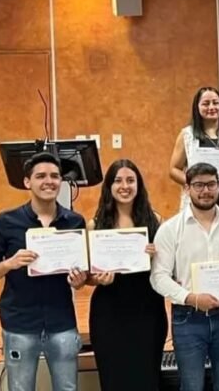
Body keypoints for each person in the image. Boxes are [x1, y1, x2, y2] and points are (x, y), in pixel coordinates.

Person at [0, 152, 87, 391]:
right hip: (19, 322)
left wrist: (79, 281)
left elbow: (81, 276)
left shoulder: (75, 222)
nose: (48, 181)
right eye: (40, 176)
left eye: (54, 176)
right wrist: (9, 264)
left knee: (68, 388)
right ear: (27, 182)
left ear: (61, 181)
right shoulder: (5, 222)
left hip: (61, 321)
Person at [151, 163, 219, 391]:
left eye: (211, 184)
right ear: (187, 188)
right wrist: (192, 298)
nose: (205, 191)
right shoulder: (170, 229)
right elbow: (158, 277)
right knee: (191, 387)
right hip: (188, 318)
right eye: (199, 185)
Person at [87, 159, 167, 391]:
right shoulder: (95, 225)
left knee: (147, 376)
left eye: (130, 180)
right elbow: (88, 276)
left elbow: (166, 268)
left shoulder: (156, 220)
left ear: (138, 185)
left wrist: (155, 256)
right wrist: (98, 278)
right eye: (118, 181)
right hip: (109, 311)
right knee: (113, 377)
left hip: (148, 309)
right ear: (109, 186)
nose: (125, 186)